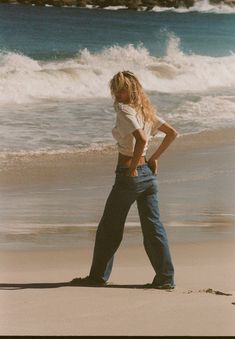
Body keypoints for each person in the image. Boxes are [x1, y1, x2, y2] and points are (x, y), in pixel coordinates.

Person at [70, 70, 178, 289]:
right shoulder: (144, 110)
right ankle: (165, 279)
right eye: (116, 89)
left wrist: (131, 169)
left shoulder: (124, 110)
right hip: (148, 176)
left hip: (130, 176)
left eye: (122, 89)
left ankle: (98, 277)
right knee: (153, 228)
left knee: (109, 228)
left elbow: (141, 138)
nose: (118, 94)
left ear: (132, 89)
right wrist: (153, 159)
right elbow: (172, 133)